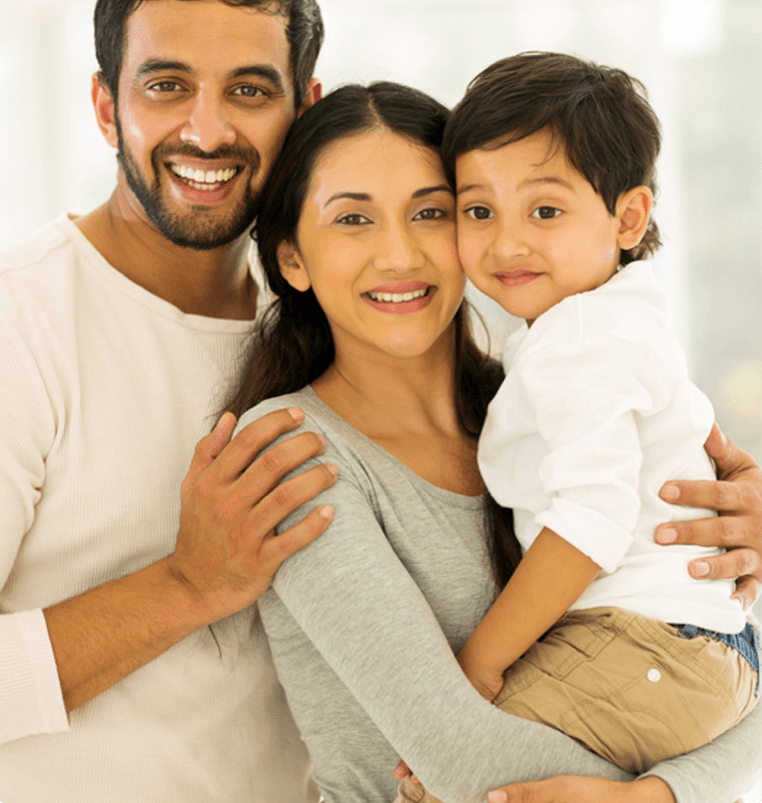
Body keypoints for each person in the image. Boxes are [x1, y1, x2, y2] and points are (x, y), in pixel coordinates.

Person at [229, 80, 762, 803]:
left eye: (433, 212)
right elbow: (458, 758)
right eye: (354, 219)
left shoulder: (542, 404)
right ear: (292, 259)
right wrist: (670, 792)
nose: (399, 254)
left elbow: (724, 674)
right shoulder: (290, 450)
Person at [0, 0, 338, 801]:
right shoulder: (22, 320)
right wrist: (188, 583)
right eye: (166, 86)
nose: (208, 130)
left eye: (251, 91)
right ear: (107, 108)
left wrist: (698, 512)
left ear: (306, 111)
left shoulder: (332, 322)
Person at [394, 52, 760, 803]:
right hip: (706, 649)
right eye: (477, 209)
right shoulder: (616, 318)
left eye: (546, 210)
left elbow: (591, 520)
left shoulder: (576, 339)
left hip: (648, 643)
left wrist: (480, 662)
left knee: (439, 782)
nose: (506, 243)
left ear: (629, 217)